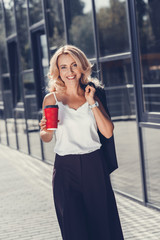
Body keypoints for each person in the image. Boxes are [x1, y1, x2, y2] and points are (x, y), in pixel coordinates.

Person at [39, 45, 124, 240]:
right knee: (74, 229)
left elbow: (108, 132)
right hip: (65, 171)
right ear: (57, 71)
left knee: (102, 226)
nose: (70, 72)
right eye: (64, 67)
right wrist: (44, 129)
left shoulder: (92, 94)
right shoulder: (51, 99)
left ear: (82, 67)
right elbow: (48, 137)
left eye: (74, 65)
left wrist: (91, 102)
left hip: (94, 166)